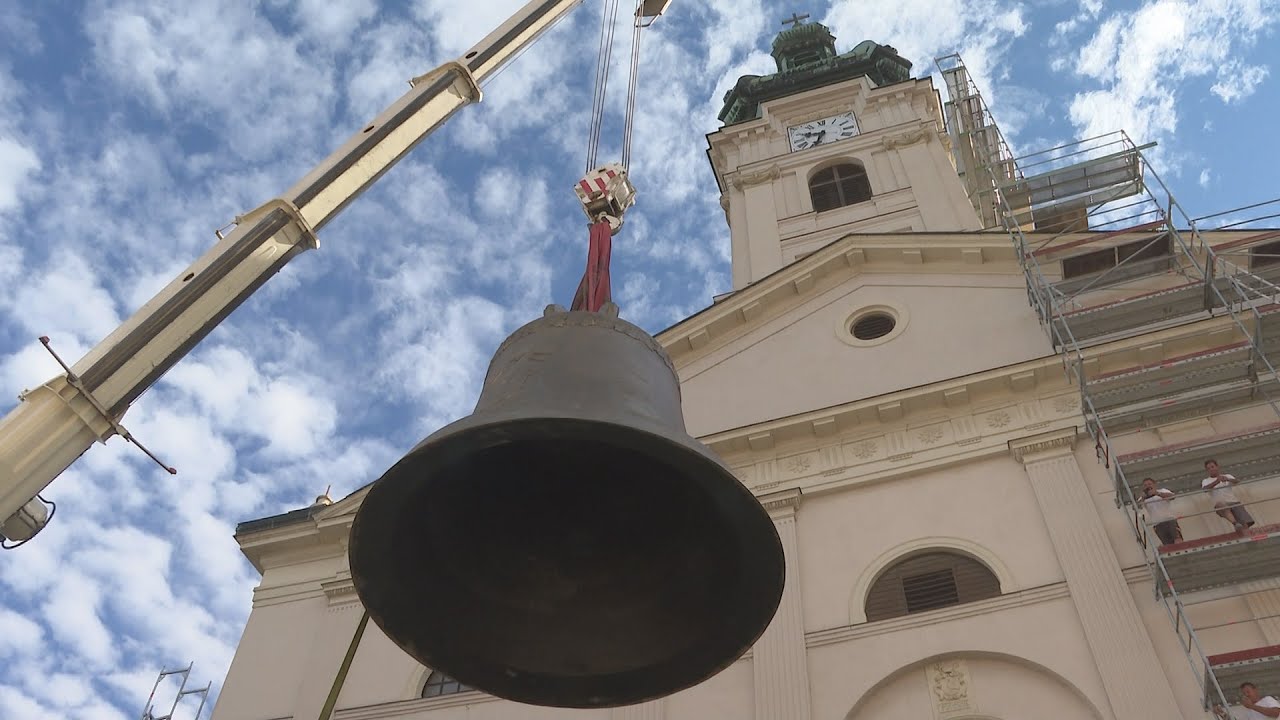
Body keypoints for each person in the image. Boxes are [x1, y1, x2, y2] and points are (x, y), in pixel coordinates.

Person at [1202, 458, 1257, 533]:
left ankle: (1243, 532)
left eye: (1212, 467)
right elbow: (1205, 489)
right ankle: (1235, 523)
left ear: (1217, 466)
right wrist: (1217, 481)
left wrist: (1228, 479)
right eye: (1208, 468)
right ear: (1207, 471)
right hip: (1221, 504)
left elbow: (1237, 481)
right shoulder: (1205, 481)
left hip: (1234, 502)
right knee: (1221, 505)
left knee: (1245, 524)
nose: (1211, 469)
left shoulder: (1227, 475)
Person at [1139, 477, 1182, 546]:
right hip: (1157, 524)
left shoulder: (1162, 490)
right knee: (1167, 545)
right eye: (1145, 485)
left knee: (1177, 540)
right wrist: (1143, 498)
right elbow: (1136, 507)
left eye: (1149, 484)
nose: (1148, 486)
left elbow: (1172, 496)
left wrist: (1157, 493)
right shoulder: (1143, 498)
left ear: (1154, 484)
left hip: (1169, 520)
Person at [1215, 682, 1280, 719]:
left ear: (1255, 690)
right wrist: (1222, 713)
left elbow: (1276, 713)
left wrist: (1252, 706)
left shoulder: (1267, 699)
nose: (1246, 695)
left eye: (1248, 691)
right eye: (1244, 693)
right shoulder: (1248, 712)